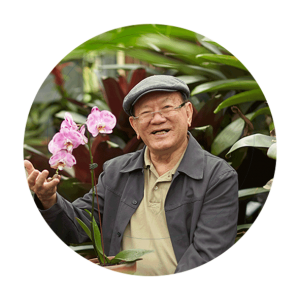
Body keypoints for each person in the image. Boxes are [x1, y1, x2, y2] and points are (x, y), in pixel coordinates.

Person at [24, 75, 238, 276]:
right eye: (145, 112)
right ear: (135, 126)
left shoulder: (218, 177)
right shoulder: (116, 171)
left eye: (167, 107)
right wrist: (49, 200)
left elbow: (207, 255)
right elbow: (79, 226)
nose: (157, 118)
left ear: (188, 113)